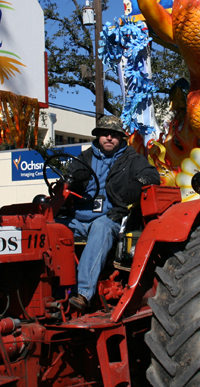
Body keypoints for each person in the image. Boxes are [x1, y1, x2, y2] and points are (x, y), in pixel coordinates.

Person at [61, 115, 160, 310]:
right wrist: (72, 180)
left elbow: (152, 175)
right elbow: (68, 178)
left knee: (101, 227)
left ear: (121, 138)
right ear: (98, 136)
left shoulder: (131, 159)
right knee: (52, 228)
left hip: (111, 217)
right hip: (78, 217)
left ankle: (82, 293)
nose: (109, 138)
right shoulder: (84, 158)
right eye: (104, 134)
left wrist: (137, 184)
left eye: (114, 134)